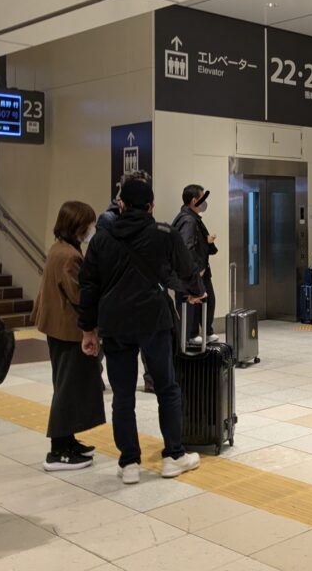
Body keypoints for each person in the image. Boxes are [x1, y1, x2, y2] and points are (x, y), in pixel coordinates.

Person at [78, 176, 205, 484]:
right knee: (167, 387)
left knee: (122, 394)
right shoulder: (164, 233)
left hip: (115, 324)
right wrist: (195, 291)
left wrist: (88, 330)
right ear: (150, 206)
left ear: (120, 204)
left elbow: (89, 286)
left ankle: (129, 462)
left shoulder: (101, 239)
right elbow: (188, 270)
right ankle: (174, 456)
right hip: (154, 321)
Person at [33, 201, 105, 471]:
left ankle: (68, 439)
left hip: (59, 329)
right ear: (78, 225)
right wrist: (92, 326)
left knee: (68, 386)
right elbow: (78, 295)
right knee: (67, 388)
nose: (91, 228)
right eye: (89, 223)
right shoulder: (69, 256)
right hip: (68, 330)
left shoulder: (58, 249)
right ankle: (58, 450)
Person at [99, 169, 154, 393]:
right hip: (117, 293)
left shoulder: (146, 217)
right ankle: (96, 376)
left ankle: (151, 378)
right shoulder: (109, 219)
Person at [172, 185, 219, 345]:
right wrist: (196, 270)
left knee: (206, 302)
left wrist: (206, 242)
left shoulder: (189, 218)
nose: (205, 202)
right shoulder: (188, 220)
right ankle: (191, 336)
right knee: (194, 303)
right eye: (202, 198)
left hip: (195, 272)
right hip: (193, 273)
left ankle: (200, 333)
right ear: (194, 200)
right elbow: (186, 247)